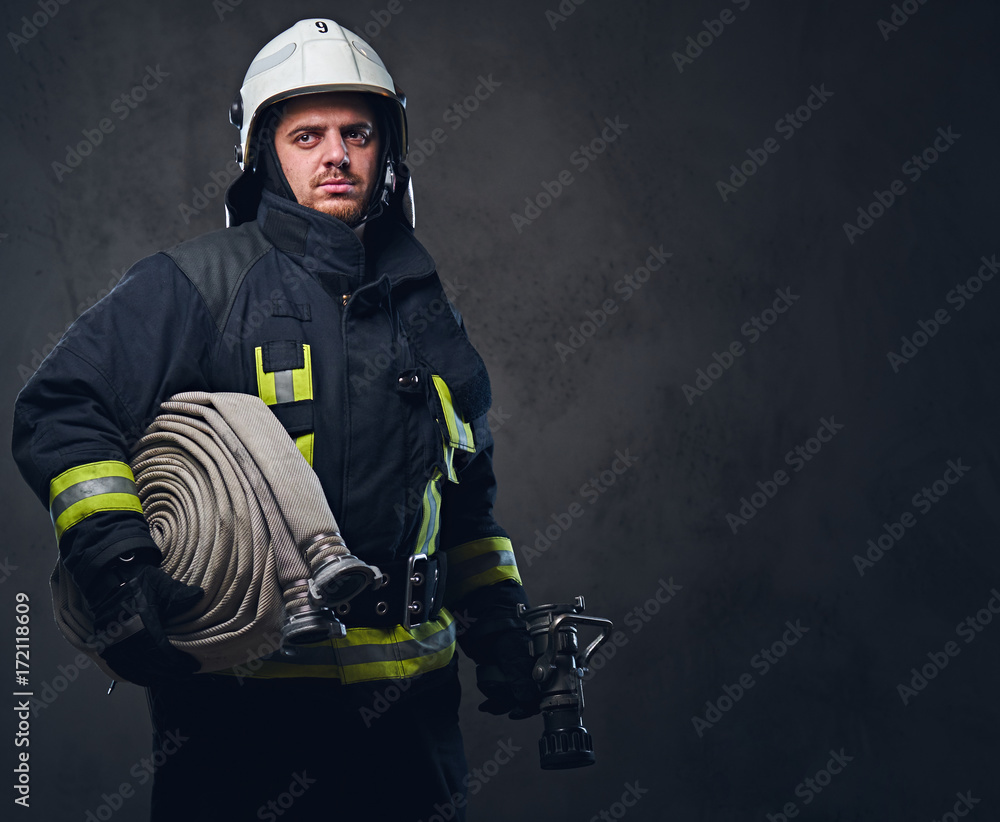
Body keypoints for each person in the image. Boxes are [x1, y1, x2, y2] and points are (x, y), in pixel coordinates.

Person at [12, 18, 539, 821]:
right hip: (241, 727)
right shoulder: (195, 287)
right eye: (308, 134)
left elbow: (466, 499)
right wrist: (118, 562)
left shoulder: (427, 313)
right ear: (264, 152)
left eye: (357, 132)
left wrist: (497, 623)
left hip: (415, 733)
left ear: (387, 148)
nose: (336, 154)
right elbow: (61, 406)